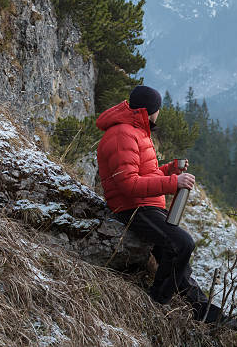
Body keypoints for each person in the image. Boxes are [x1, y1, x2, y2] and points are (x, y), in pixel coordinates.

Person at [96, 85, 222, 322]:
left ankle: (206, 313)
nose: (159, 114)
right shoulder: (123, 134)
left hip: (145, 204)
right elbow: (128, 184)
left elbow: (147, 174)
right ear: (150, 110)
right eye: (158, 109)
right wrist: (174, 182)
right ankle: (156, 301)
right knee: (182, 244)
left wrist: (168, 170)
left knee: (176, 258)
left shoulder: (136, 131)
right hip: (132, 208)